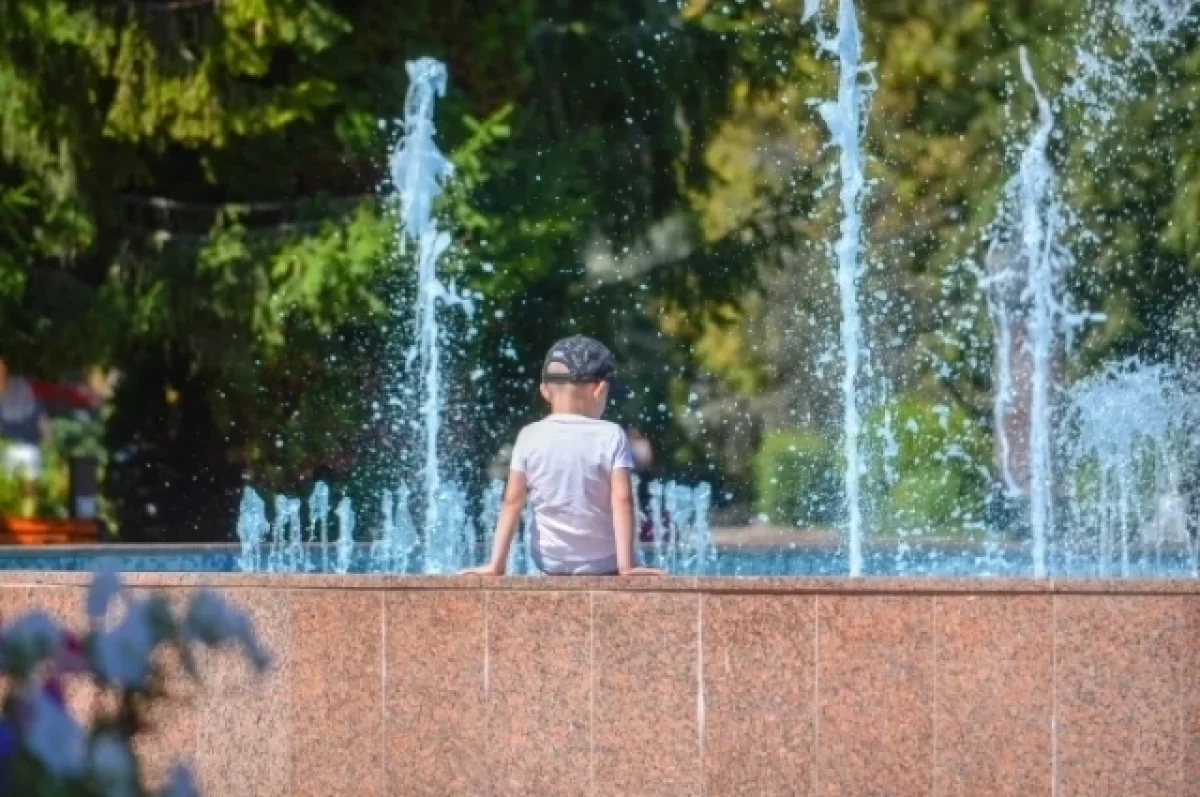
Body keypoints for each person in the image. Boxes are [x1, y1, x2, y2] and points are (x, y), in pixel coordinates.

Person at [462, 336, 663, 576]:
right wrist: (627, 566)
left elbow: (512, 501)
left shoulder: (528, 436)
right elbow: (622, 501)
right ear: (599, 388)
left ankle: (497, 563)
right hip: (604, 561)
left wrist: (496, 565)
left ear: (544, 390)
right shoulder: (611, 435)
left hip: (548, 560)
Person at [0, 359, 51, 503]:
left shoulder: (3, 407)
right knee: (29, 495)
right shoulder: (35, 406)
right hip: (31, 450)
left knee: (8, 492)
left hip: (7, 451)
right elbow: (47, 433)